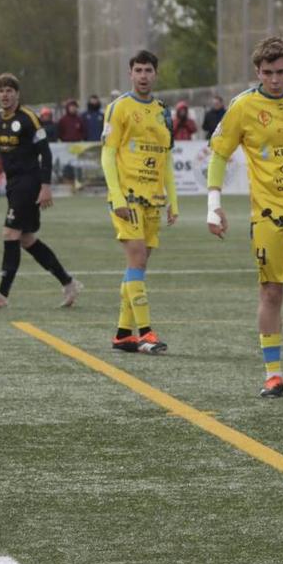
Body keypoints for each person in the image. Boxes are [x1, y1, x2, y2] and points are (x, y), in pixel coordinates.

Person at [207, 36, 283, 397]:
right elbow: (219, 154)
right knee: (271, 291)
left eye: (282, 72)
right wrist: (213, 203)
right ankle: (273, 374)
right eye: (268, 73)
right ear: (258, 72)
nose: (275, 79)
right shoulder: (243, 106)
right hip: (269, 218)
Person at [0, 73, 82, 309]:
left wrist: (46, 186)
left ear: (17, 94)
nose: (5, 95)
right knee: (27, 239)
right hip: (13, 184)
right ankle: (68, 282)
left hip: (29, 183)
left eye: (9, 90)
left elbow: (46, 153)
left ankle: (1, 295)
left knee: (10, 234)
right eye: (1, 91)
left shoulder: (29, 118)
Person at [101, 50, 176, 355]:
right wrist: (117, 196)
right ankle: (145, 333)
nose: (143, 75)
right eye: (138, 70)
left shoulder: (162, 110)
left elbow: (166, 157)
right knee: (138, 261)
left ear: (155, 74)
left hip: (154, 201)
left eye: (148, 70)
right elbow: (107, 153)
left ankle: (122, 335)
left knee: (137, 268)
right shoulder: (118, 108)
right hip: (128, 199)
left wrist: (174, 200)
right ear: (130, 74)